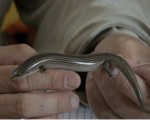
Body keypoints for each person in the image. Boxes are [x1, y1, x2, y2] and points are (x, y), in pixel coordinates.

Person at [1, 0, 150, 119]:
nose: (16, 77)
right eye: (19, 75)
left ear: (28, 69)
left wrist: (100, 37)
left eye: (18, 74)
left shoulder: (39, 64)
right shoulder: (39, 64)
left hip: (99, 57)